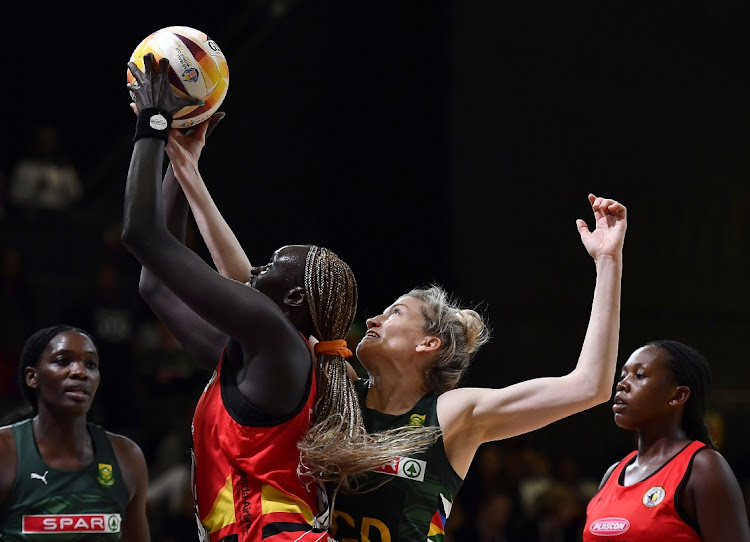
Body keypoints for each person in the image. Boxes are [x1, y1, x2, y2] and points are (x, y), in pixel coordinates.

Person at [155, 127, 628, 539]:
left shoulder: (453, 414)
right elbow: (248, 290)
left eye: (395, 311)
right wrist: (188, 171)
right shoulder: (334, 389)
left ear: (429, 344)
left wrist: (607, 262)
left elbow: (589, 386)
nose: (375, 318)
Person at [124, 53, 437, 542]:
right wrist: (180, 162)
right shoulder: (261, 356)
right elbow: (154, 283)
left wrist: (154, 122)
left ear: (291, 299)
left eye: (269, 266)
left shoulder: (277, 340)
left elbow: (141, 233)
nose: (255, 270)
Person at [583, 340, 750, 541]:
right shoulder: (613, 473)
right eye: (623, 375)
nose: (622, 384)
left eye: (639, 375)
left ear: (678, 395)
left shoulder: (702, 467)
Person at [0, 325, 150, 541]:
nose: (80, 372)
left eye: (90, 364)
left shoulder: (127, 456)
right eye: (63, 361)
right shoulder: (5, 452)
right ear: (32, 377)